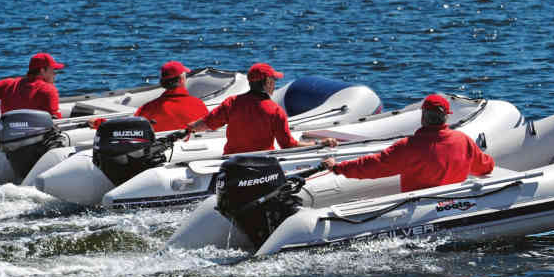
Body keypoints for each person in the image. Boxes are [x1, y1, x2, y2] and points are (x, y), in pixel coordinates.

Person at [319, 94, 493, 191]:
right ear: (447, 116)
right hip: (454, 206)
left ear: (423, 115)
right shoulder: (464, 141)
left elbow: (373, 166)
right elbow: (485, 166)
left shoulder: (408, 147)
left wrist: (338, 167)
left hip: (418, 210)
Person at [186, 62, 338, 155]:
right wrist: (319, 144)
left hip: (232, 162)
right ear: (268, 83)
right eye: (274, 80)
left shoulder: (232, 103)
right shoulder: (275, 111)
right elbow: (288, 145)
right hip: (262, 164)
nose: (275, 84)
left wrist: (189, 128)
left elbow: (206, 124)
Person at [89, 60, 210, 132]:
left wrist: (99, 123)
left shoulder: (148, 109)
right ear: (182, 79)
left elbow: (127, 128)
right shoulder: (198, 105)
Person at [0, 52, 64, 124]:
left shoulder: (8, 84)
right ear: (42, 71)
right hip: (36, 142)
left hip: (7, 139)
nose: (55, 74)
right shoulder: (48, 90)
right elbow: (56, 122)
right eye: (53, 70)